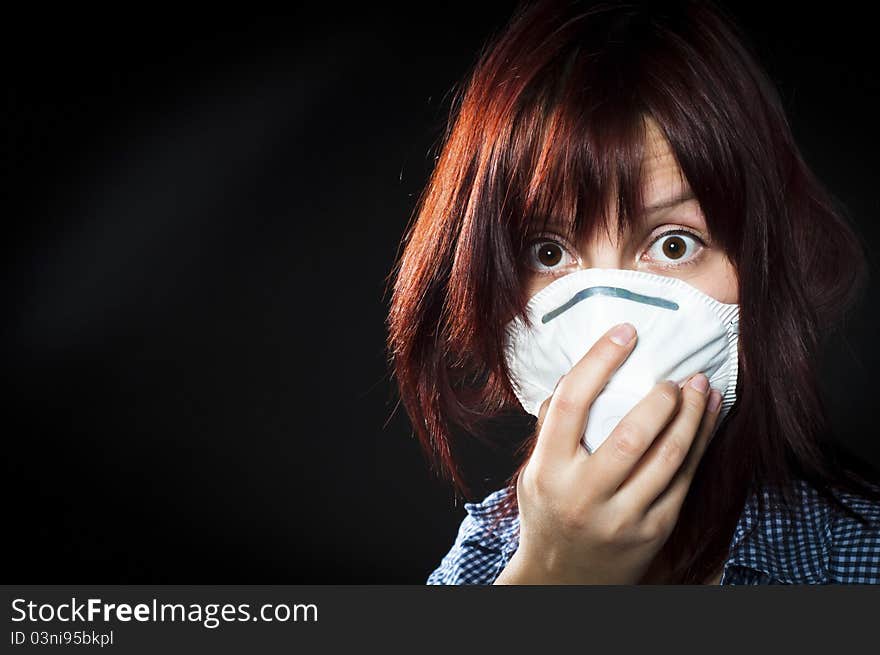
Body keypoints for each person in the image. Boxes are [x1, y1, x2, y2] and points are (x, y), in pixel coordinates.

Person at [385, 0, 880, 584]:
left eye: (675, 245)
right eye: (549, 253)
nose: (610, 322)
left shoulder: (855, 557)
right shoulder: (486, 558)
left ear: (759, 266)